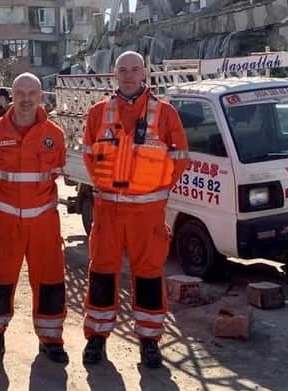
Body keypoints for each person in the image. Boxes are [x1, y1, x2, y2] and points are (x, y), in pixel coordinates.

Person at [80, 51, 190, 368]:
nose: (128, 75)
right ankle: (97, 338)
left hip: (147, 214)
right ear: (115, 74)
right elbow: (89, 154)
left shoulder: (165, 113)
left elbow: (181, 156)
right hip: (108, 212)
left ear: (145, 73)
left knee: (149, 276)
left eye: (134, 69)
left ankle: (149, 342)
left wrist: (156, 188)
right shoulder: (98, 113)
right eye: (122, 70)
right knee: (101, 272)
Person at [0, 72, 68, 367]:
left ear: (41, 96)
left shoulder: (55, 134)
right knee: (0, 281)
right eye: (20, 93)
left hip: (43, 222)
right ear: (11, 96)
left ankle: (51, 339)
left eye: (33, 92)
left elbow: (55, 173)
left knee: (51, 280)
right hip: (5, 223)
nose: (26, 99)